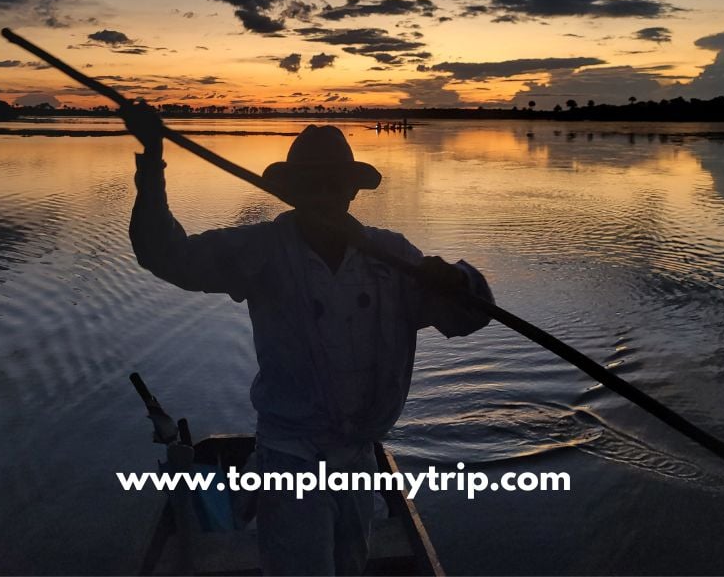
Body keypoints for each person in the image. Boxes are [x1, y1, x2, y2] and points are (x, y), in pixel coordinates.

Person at [120, 103, 493, 575]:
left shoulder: (392, 256)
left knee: (351, 566)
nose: (322, 194)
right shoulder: (262, 249)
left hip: (358, 456)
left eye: (333, 183)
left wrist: (457, 280)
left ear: (352, 191)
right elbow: (166, 254)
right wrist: (152, 158)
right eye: (310, 184)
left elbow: (467, 317)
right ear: (291, 192)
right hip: (289, 457)